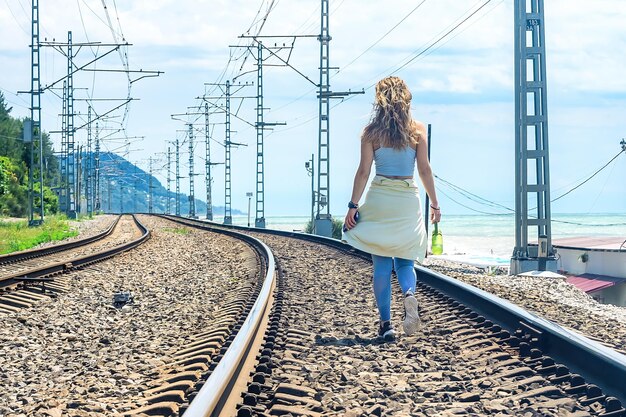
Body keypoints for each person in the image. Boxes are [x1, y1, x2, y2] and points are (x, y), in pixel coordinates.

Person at [342, 76, 441, 341]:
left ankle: (386, 325)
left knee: (382, 264)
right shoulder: (417, 130)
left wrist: (353, 205)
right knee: (406, 261)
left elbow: (363, 172)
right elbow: (424, 169)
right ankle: (409, 294)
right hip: (407, 198)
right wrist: (434, 203)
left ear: (379, 101)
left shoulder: (370, 132)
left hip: (380, 197)